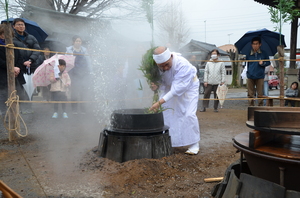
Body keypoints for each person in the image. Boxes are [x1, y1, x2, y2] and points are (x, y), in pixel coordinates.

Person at [149, 46, 200, 155]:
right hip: (170, 87)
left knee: (188, 114)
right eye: (162, 66)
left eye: (167, 64)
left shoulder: (183, 64)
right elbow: (162, 83)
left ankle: (194, 144)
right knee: (167, 113)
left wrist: (159, 103)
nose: (166, 68)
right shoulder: (156, 67)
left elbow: (177, 90)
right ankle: (171, 142)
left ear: (171, 56)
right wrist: (155, 86)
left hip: (188, 87)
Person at [12, 18, 43, 113]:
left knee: (30, 86)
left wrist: (30, 60)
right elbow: (11, 52)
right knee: (19, 87)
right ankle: (20, 107)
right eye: (18, 24)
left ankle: (29, 106)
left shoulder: (31, 38)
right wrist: (20, 62)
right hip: (18, 66)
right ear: (14, 26)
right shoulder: (11, 38)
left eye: (22, 24)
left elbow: (37, 50)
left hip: (30, 66)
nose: (21, 26)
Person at [0, 24, 25, 116]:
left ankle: (16, 112)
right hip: (2, 75)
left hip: (16, 75)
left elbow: (20, 58)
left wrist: (17, 67)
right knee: (3, 95)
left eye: (8, 34)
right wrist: (11, 67)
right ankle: (4, 113)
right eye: (3, 34)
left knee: (17, 93)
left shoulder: (14, 45)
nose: (5, 36)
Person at [66, 35, 90, 114]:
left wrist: (90, 71)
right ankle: (74, 109)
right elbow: (66, 62)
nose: (78, 42)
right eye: (77, 41)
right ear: (73, 42)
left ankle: (83, 109)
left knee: (83, 92)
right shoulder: (69, 51)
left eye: (79, 41)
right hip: (74, 73)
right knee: (74, 92)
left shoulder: (84, 51)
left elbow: (89, 62)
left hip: (83, 73)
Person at [246, 37, 270, 106]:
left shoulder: (264, 53)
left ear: (260, 44)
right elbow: (246, 64)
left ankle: (260, 108)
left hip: (260, 76)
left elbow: (268, 63)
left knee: (260, 94)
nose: (255, 45)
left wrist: (263, 63)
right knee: (250, 94)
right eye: (253, 44)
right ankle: (251, 108)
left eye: (256, 44)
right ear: (251, 45)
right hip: (250, 75)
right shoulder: (249, 54)